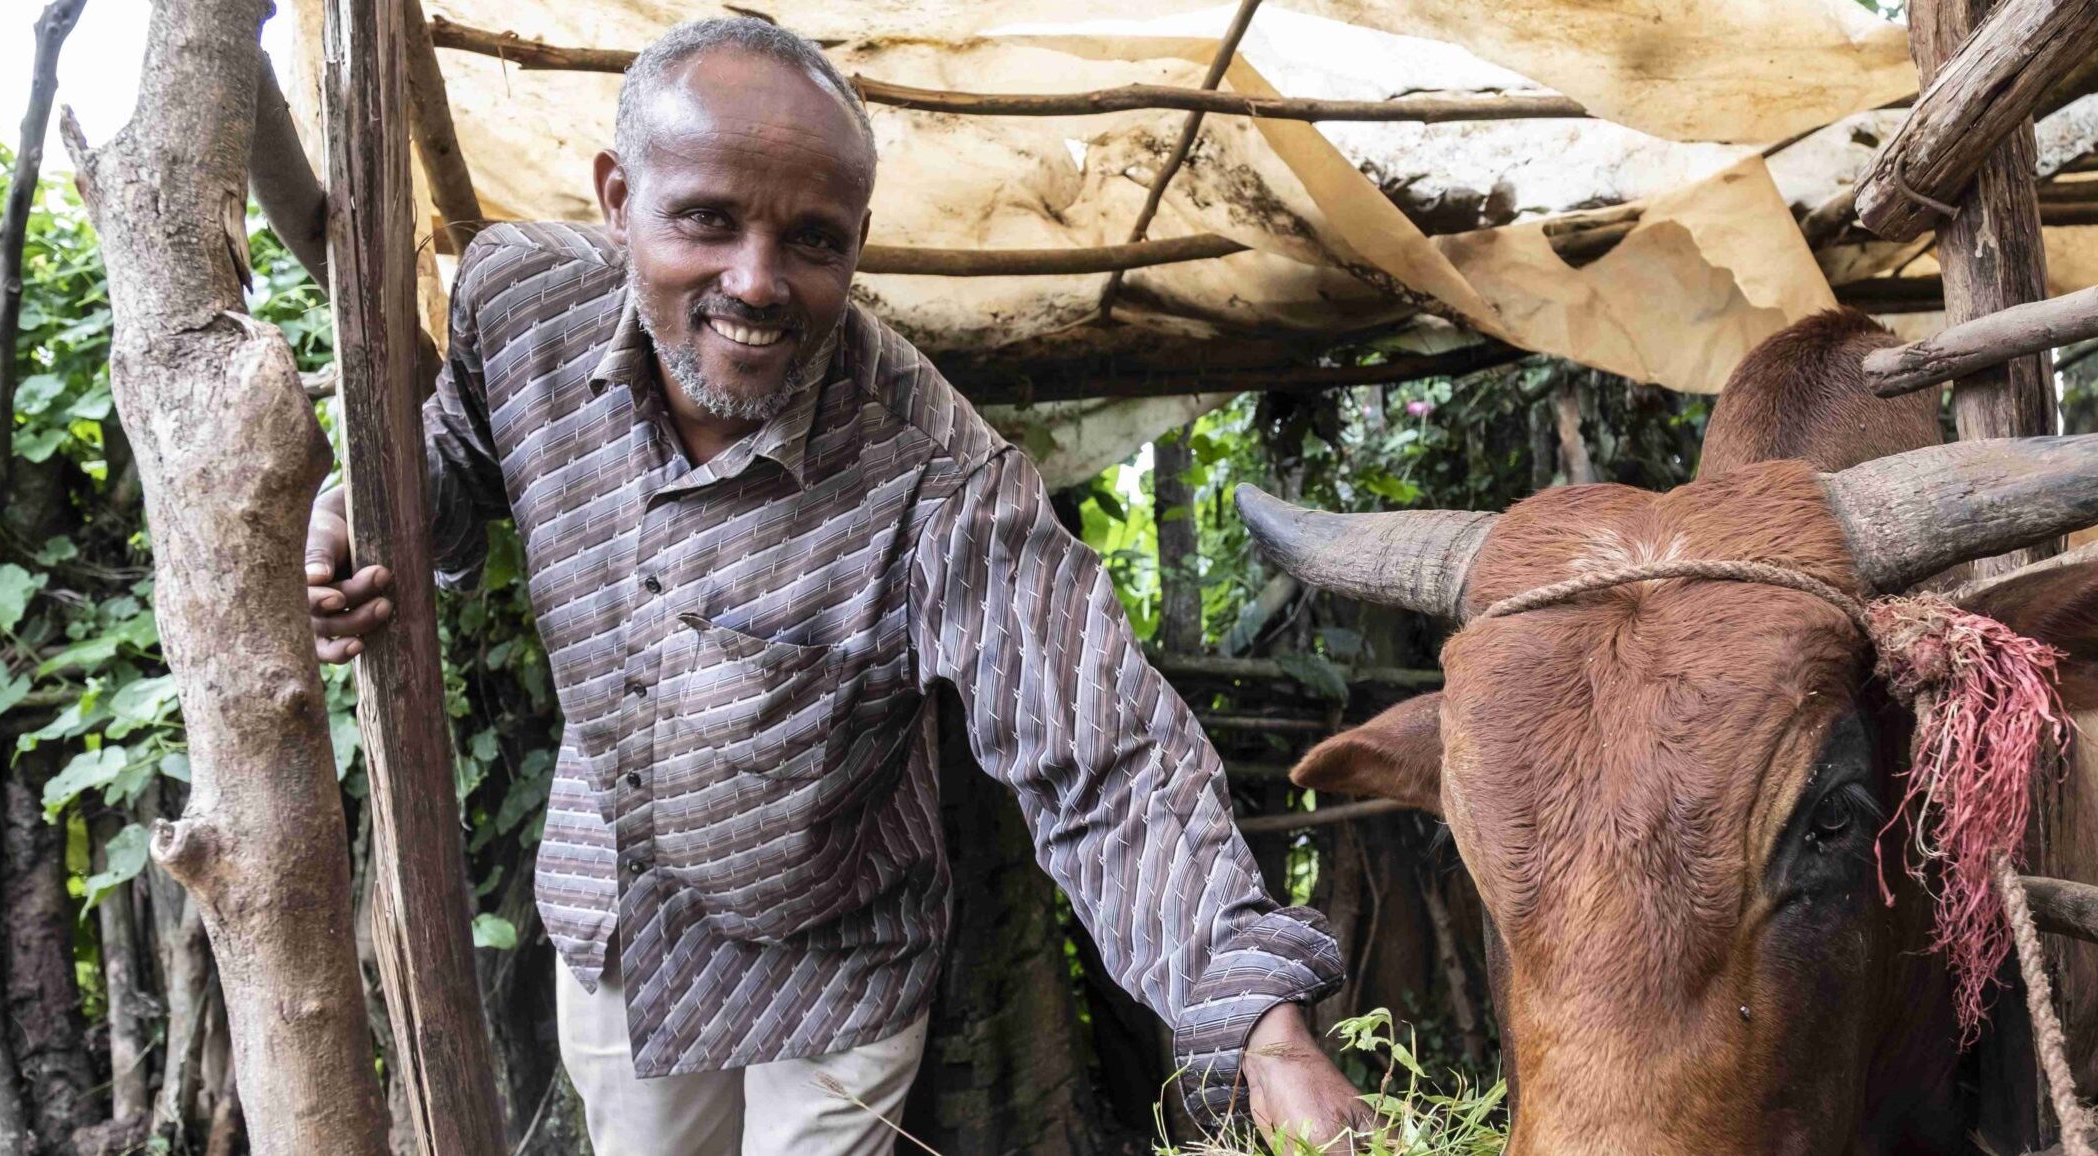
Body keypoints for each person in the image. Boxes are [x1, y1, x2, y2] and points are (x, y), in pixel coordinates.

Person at [301, 18, 1366, 1155]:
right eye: (707, 218)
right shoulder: (518, 310)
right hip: (616, 911)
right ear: (618, 197)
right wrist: (356, 512)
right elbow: (458, 445)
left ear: (860, 241)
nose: (755, 283)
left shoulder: (937, 477)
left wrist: (1259, 1023)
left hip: (837, 960)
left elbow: (1105, 756)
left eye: (811, 240)